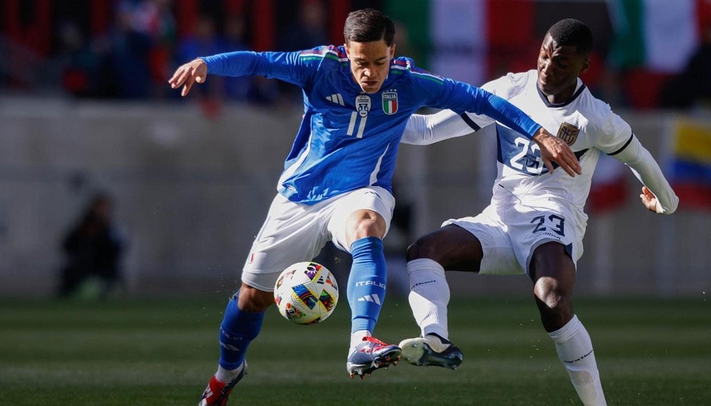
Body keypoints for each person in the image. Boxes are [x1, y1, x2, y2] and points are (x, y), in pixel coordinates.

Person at [168, 9, 580, 406]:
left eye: (379, 62)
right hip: (301, 196)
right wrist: (208, 62)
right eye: (361, 62)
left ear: (392, 50)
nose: (370, 73)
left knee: (368, 227)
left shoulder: (409, 81)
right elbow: (257, 61)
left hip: (363, 191)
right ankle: (226, 375)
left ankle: (361, 340)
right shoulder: (318, 65)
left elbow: (481, 100)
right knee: (250, 299)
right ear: (347, 52)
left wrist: (540, 132)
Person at [396, 19, 679, 406]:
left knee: (551, 298)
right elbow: (427, 130)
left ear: (583, 67)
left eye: (561, 63)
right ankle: (436, 339)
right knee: (422, 251)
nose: (548, 67)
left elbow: (639, 156)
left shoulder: (594, 117)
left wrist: (668, 200)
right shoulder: (509, 89)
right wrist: (370, 118)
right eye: (545, 55)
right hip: (500, 218)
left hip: (553, 218)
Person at [58, 192, 128, 299]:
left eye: (105, 208)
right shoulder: (84, 227)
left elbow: (118, 250)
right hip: (85, 273)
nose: (103, 211)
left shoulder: (113, 230)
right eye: (100, 207)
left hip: (106, 274)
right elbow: (68, 245)